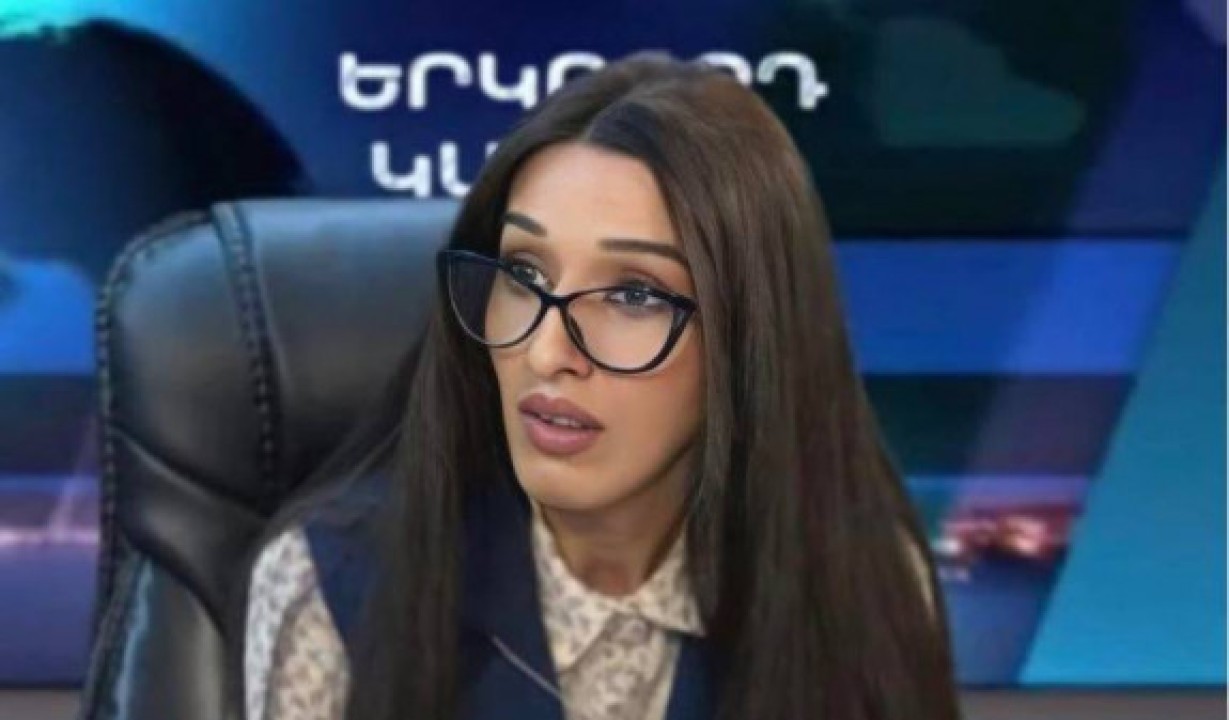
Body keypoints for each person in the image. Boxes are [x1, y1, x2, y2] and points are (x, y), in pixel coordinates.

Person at [236, 51, 960, 720]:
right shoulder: (331, 584)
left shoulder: (867, 587)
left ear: (749, 338)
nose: (545, 352)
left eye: (634, 295)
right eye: (523, 274)